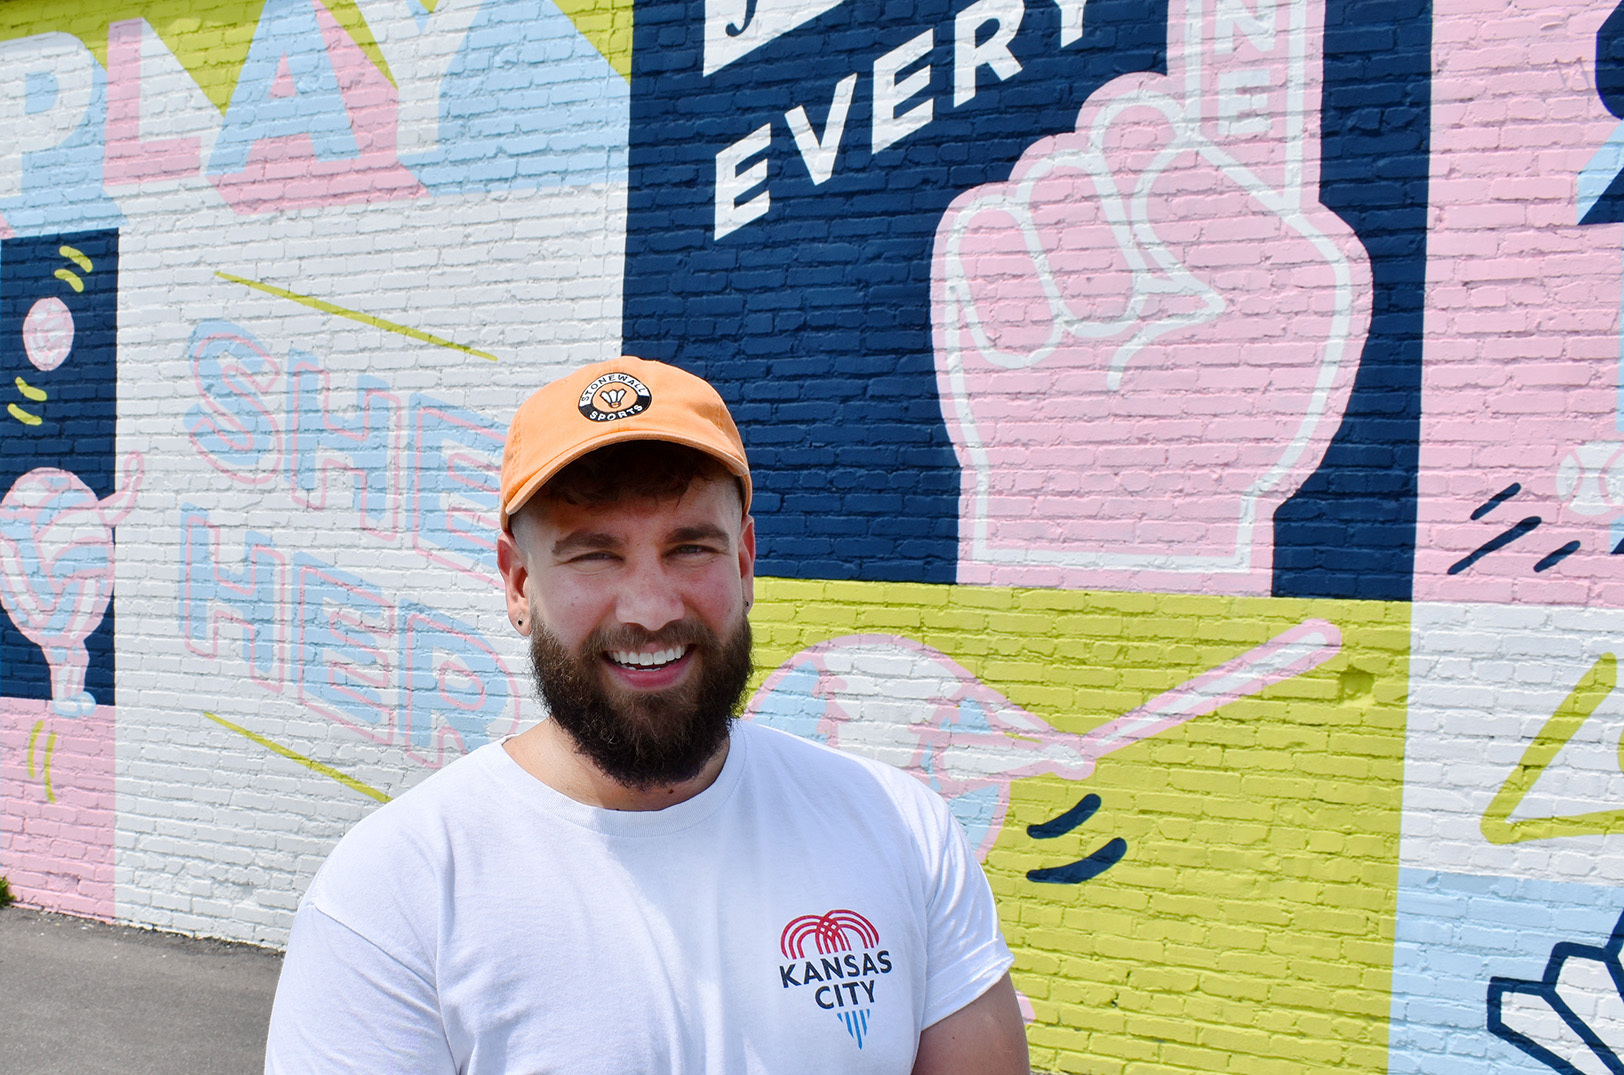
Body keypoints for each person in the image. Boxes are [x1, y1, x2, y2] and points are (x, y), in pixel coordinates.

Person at [264, 356, 1029, 1073]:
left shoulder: (902, 832)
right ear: (519, 582)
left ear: (745, 561)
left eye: (691, 546)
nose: (652, 609)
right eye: (594, 555)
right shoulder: (395, 893)